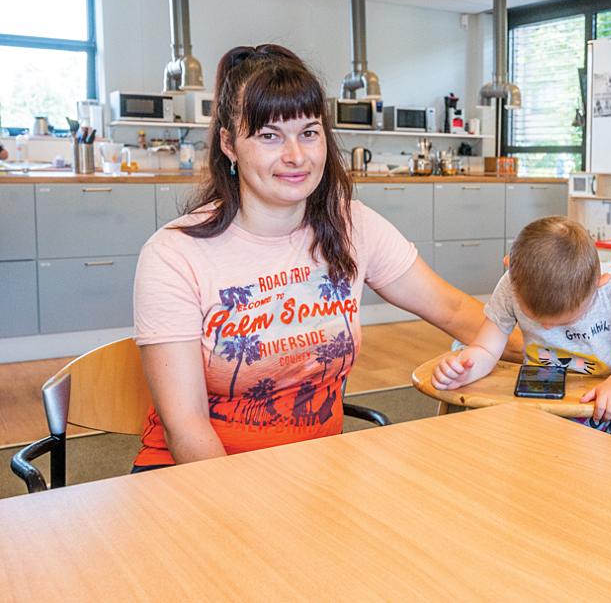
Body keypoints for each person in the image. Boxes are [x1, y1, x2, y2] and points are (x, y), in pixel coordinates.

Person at [133, 44, 519, 469]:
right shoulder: (174, 254)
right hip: (199, 477)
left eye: (309, 132)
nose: (296, 156)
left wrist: (568, 353)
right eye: (268, 135)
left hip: (313, 470)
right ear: (228, 143)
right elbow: (185, 426)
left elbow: (454, 309)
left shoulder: (351, 225)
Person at [431, 216, 611, 458]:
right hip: (538, 408)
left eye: (564, 321)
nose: (545, 329)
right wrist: (465, 369)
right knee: (462, 444)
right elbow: (487, 350)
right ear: (510, 270)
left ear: (599, 283)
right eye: (534, 318)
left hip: (607, 410)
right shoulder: (511, 284)